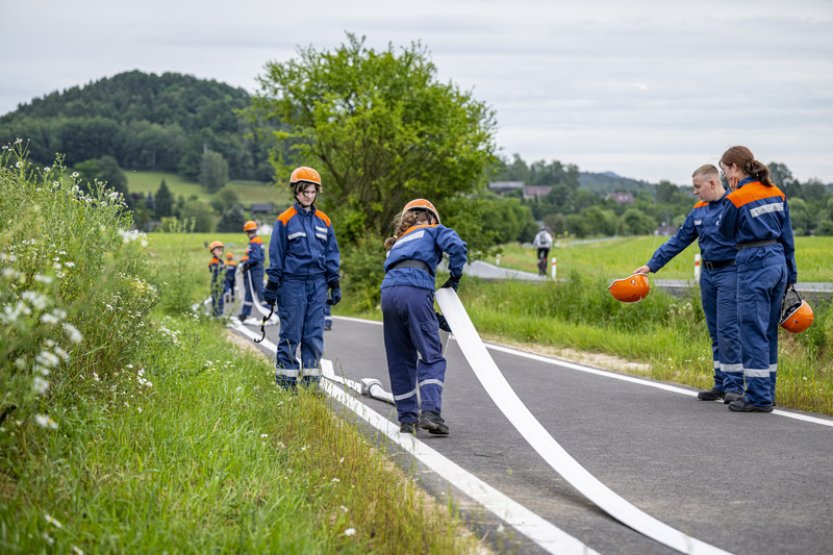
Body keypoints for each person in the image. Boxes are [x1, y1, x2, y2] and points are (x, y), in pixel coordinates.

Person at [633, 165, 743, 402]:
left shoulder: (732, 205)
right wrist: (651, 265)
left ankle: (735, 386)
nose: (695, 192)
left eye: (697, 187)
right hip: (709, 274)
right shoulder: (699, 210)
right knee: (715, 330)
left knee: (727, 329)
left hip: (730, 272)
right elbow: (679, 240)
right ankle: (721, 383)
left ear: (712, 183)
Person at [718, 146, 797, 413]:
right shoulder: (777, 192)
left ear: (734, 169)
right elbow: (788, 238)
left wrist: (732, 194)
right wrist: (791, 276)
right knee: (768, 331)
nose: (724, 175)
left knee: (751, 330)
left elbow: (725, 231)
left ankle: (759, 398)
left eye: (724, 170)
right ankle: (767, 390)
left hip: (753, 262)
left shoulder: (737, 198)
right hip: (778, 262)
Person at [381, 199, 467, 435]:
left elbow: (404, 285)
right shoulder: (433, 230)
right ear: (431, 217)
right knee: (431, 355)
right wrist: (455, 276)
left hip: (388, 293)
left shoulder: (398, 242)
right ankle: (430, 413)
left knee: (400, 358)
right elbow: (458, 247)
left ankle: (407, 420)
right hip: (415, 291)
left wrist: (435, 318)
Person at [263, 167, 341, 389]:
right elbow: (276, 255)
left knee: (314, 335)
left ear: (317, 192)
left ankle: (311, 384)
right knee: (291, 334)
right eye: (304, 191)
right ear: (296, 191)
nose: (309, 195)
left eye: (313, 191)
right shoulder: (285, 220)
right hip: (292, 283)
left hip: (318, 284)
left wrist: (334, 283)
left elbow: (331, 254)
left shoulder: (324, 221)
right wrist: (272, 286)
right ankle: (286, 385)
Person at [236, 220, 267, 325]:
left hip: (256, 269)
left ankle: (269, 313)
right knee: (249, 292)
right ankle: (244, 314)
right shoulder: (257, 240)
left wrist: (246, 264)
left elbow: (256, 257)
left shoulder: (254, 242)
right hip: (253, 269)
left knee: (260, 291)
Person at [207, 241, 225, 317]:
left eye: (221, 249)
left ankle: (220, 314)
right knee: (216, 299)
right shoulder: (213, 262)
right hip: (216, 282)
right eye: (218, 249)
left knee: (220, 299)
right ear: (213, 251)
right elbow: (214, 271)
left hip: (221, 282)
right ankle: (216, 315)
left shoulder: (220, 261)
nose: (220, 251)